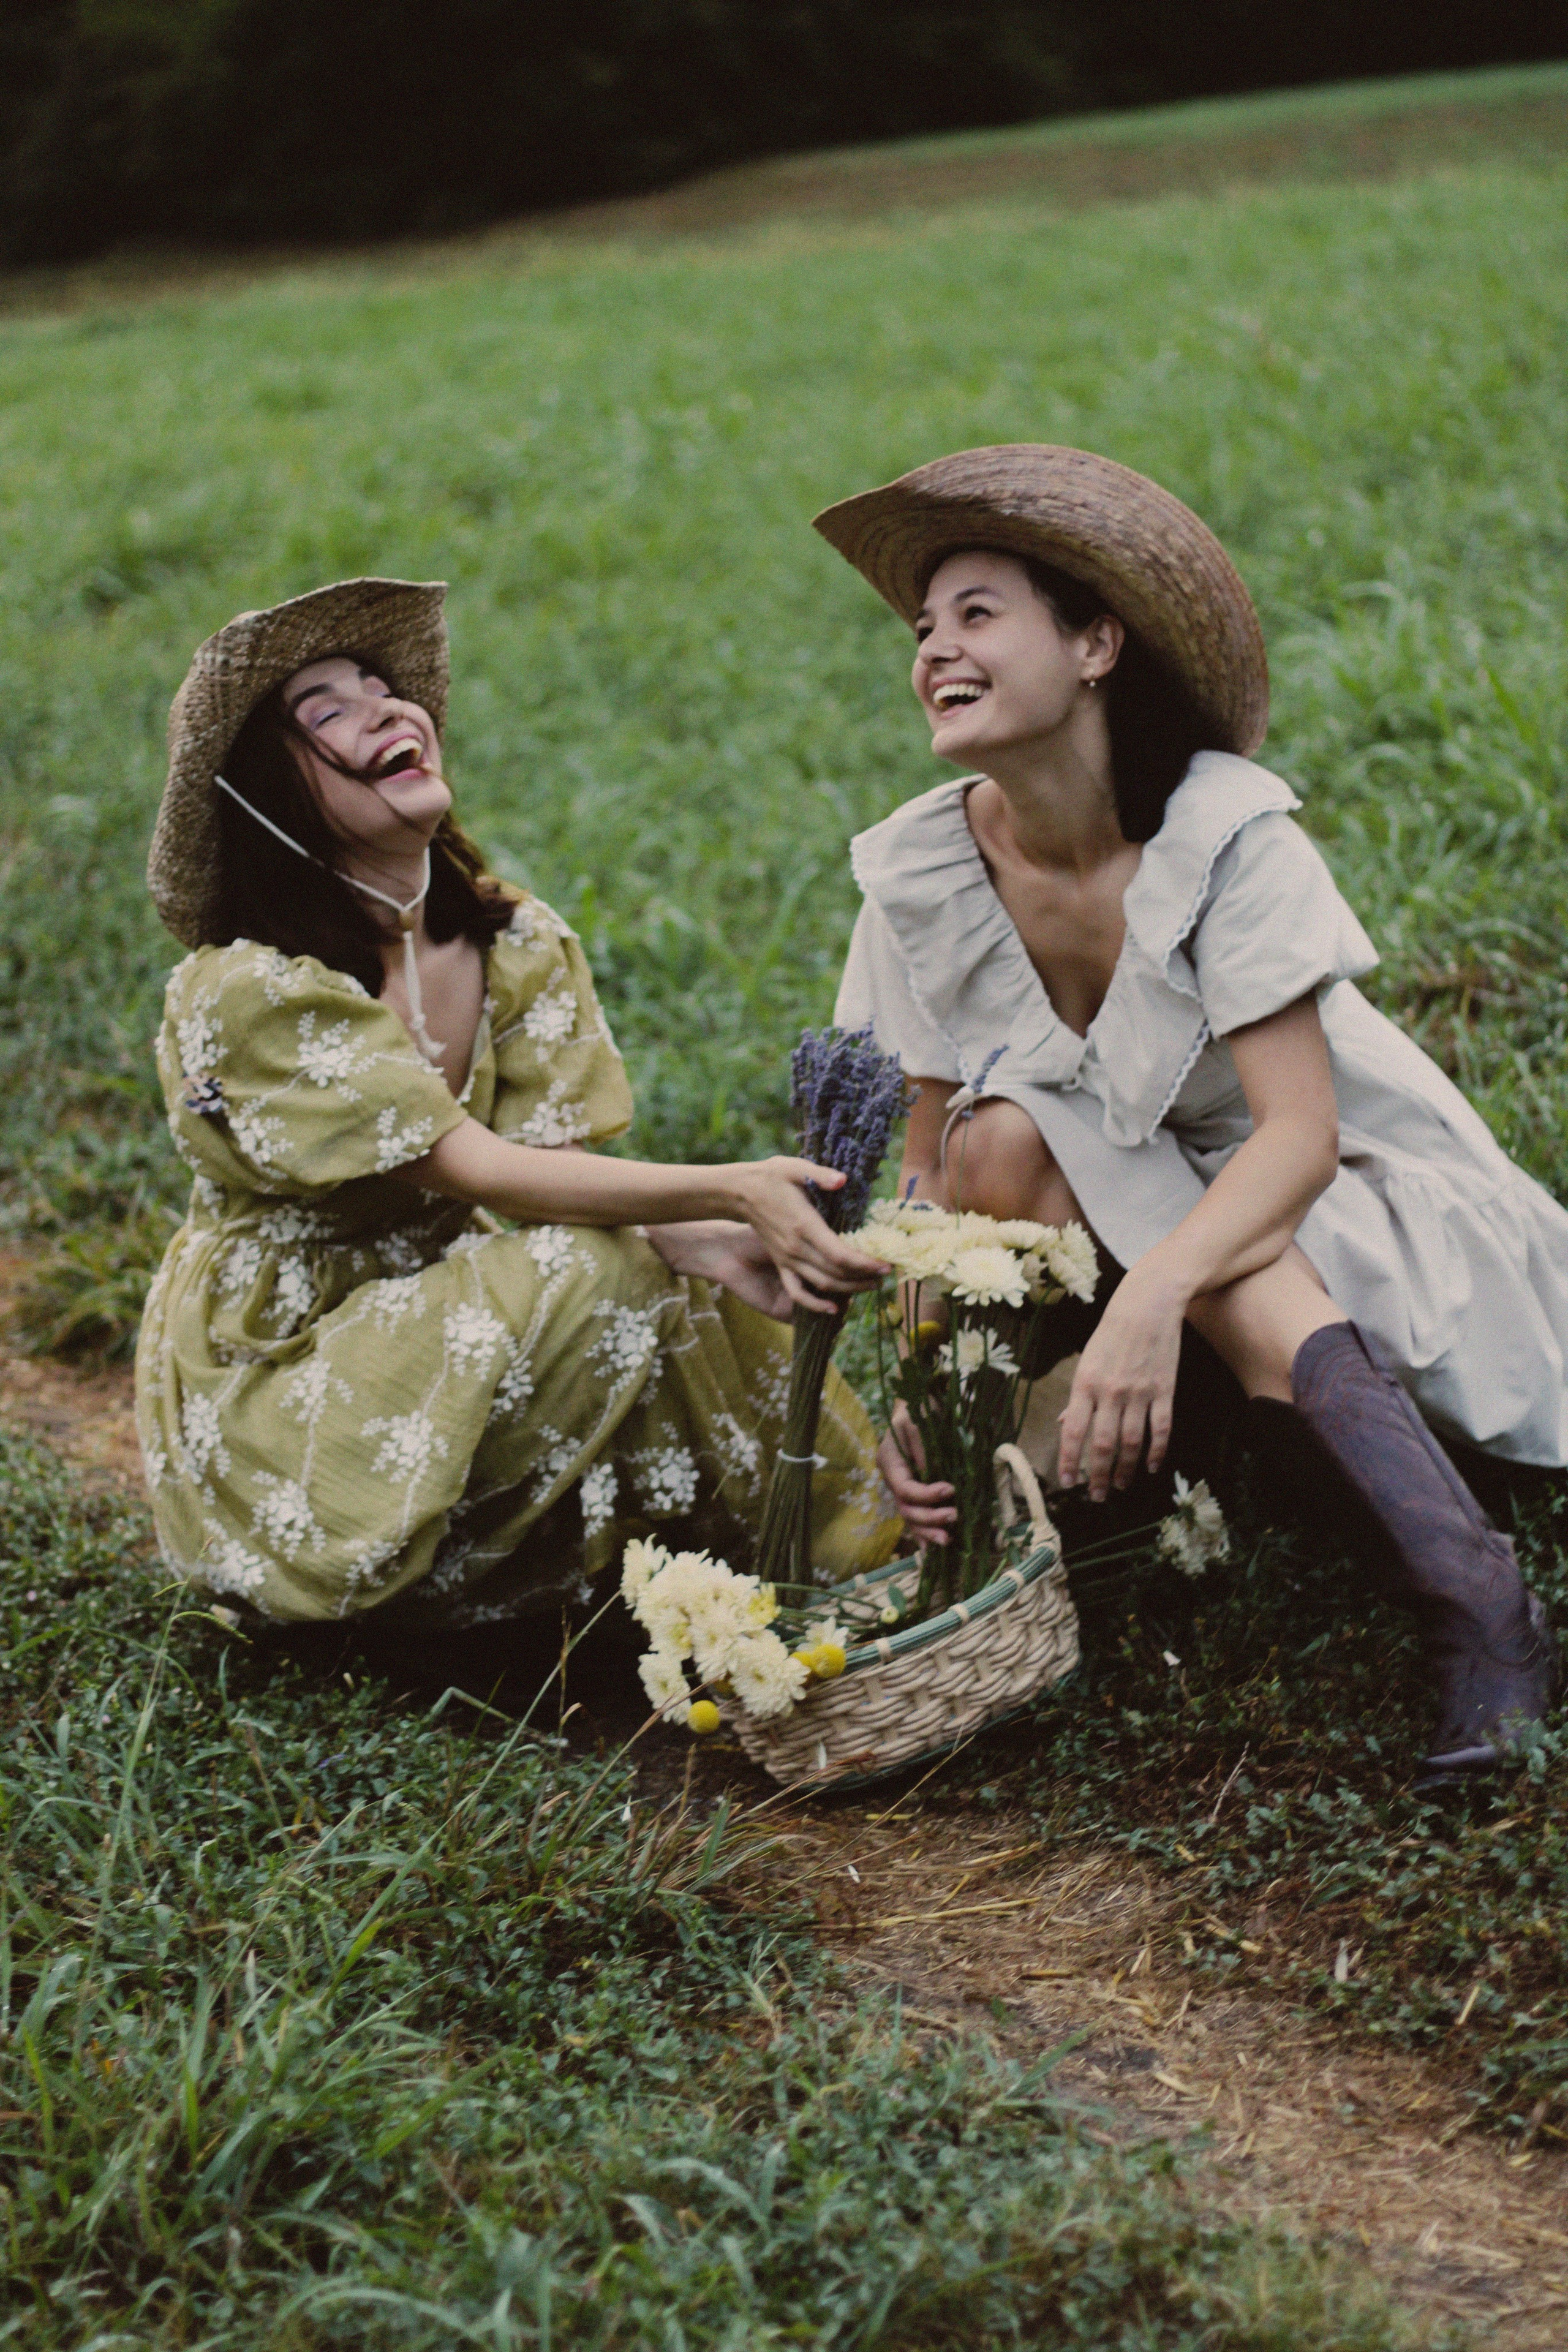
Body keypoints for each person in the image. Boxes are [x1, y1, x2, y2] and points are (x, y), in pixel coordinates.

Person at [816, 443, 1563, 1780]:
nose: (934, 648)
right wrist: (921, 1370)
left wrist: (1154, 1295)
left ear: (1094, 642)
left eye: (977, 613)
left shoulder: (1224, 836)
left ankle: (1476, 1602)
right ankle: (1139, 1487)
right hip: (1128, 1198)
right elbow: (927, 1170)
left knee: (1220, 1251)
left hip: (1333, 1195)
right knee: (1000, 1134)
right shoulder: (922, 869)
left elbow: (1297, 1137)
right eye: (923, 627)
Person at [135, 577, 899, 1629]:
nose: (386, 709)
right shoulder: (250, 989)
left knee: (662, 1253)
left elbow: (563, 1173)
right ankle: (369, 1585)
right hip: (280, 1373)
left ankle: (825, 1553)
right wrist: (725, 1192)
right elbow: (474, 1169)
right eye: (328, 712)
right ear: (265, 793)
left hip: (438, 1310)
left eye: (382, 688)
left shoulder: (512, 942)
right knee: (611, 1256)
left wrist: (710, 1240)